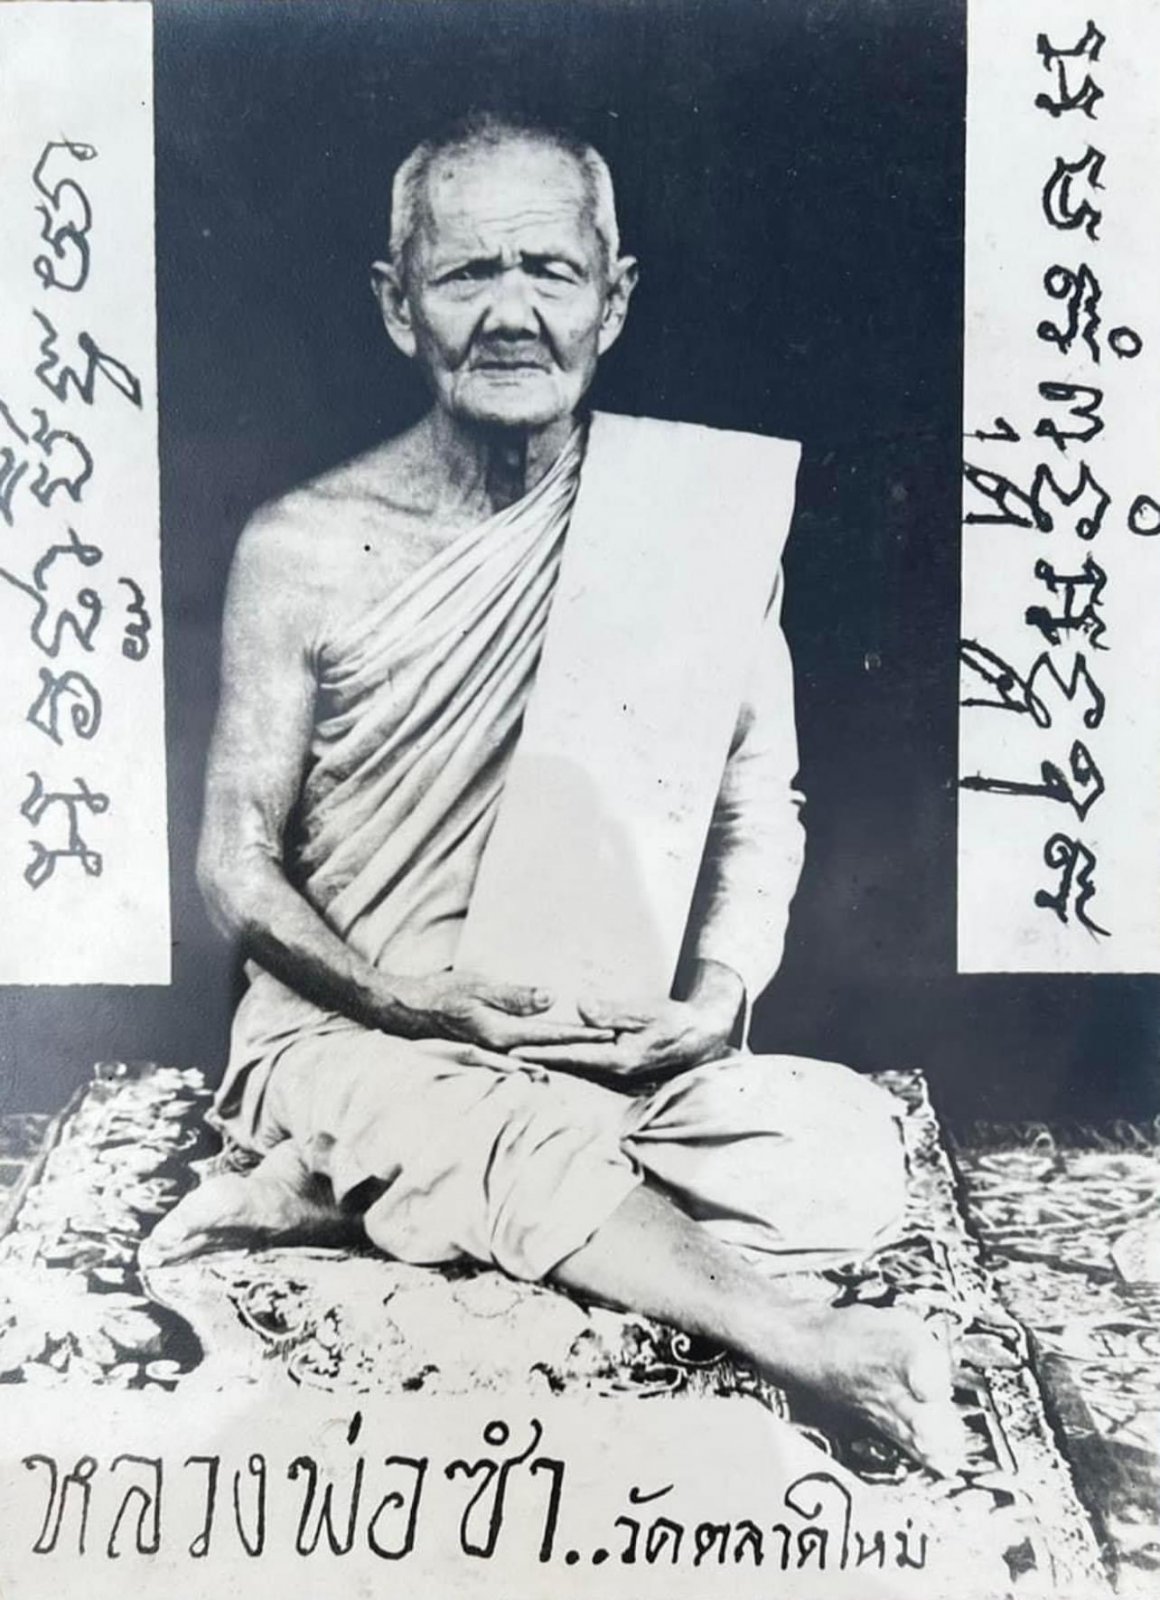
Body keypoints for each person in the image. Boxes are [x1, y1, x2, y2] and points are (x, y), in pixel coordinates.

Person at [143, 111, 963, 1476]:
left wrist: (716, 1002)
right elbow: (233, 861)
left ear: (612, 300)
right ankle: (809, 1340)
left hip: (586, 1043)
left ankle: (352, 1196)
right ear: (398, 305)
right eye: (468, 274)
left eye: (551, 272)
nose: (512, 315)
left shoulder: (692, 521)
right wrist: (409, 1003)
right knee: (433, 1107)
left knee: (843, 1152)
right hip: (358, 1031)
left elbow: (762, 805)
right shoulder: (302, 547)